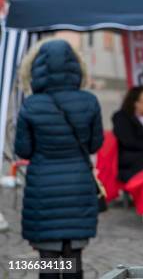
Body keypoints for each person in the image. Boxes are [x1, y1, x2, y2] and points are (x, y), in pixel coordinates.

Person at [15, 39, 103, 279]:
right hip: (78, 187)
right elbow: (95, 144)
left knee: (48, 263)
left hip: (43, 188)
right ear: (76, 66)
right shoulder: (89, 102)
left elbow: (23, 150)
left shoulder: (31, 105)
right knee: (74, 259)